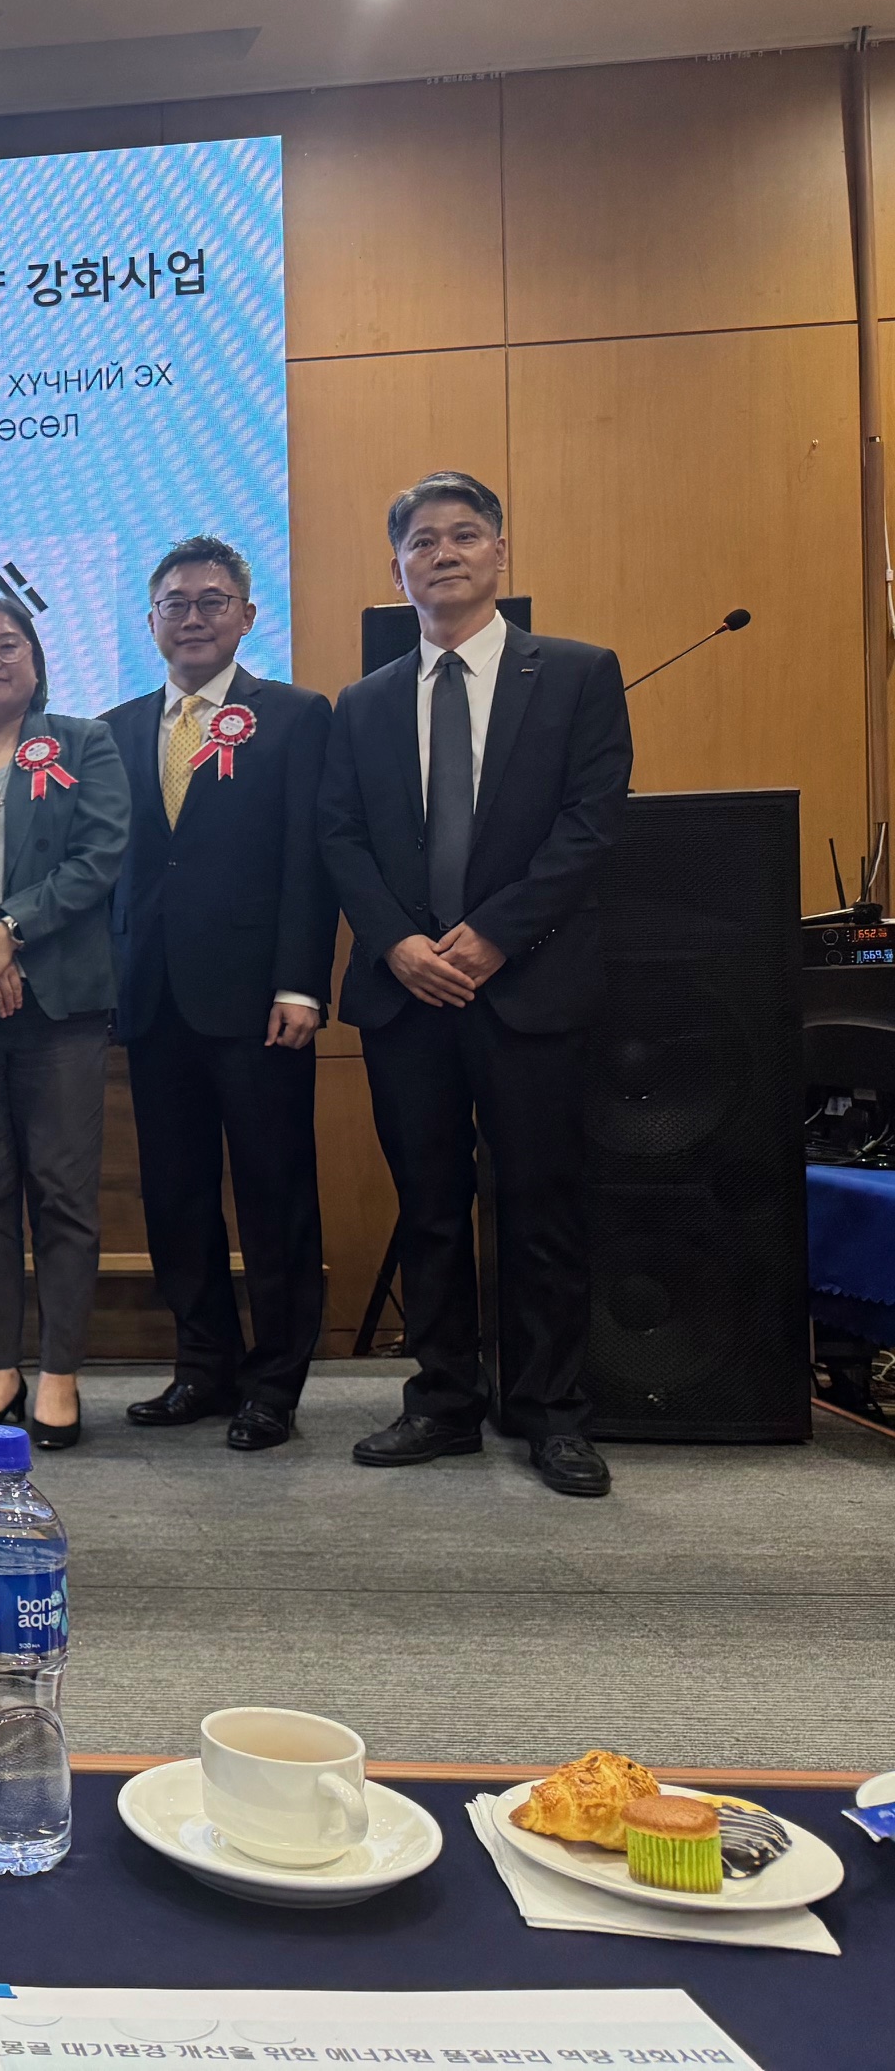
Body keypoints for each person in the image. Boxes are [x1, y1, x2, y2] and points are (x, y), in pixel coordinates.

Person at [321, 471, 632, 1498]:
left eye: (464, 535)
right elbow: (341, 837)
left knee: (541, 1205)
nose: (443, 553)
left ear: (500, 552)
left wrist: (494, 936)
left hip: (529, 988)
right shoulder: (364, 702)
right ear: (397, 568)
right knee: (429, 1207)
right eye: (423, 541)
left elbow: (590, 823)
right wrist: (399, 945)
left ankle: (552, 1412)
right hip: (407, 996)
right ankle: (444, 1400)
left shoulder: (578, 674)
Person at [102, 539, 338, 1452]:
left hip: (258, 1003)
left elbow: (308, 861)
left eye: (212, 600)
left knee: (275, 1195)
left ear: (247, 614)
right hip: (152, 1002)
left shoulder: (295, 717)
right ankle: (202, 1365)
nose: (193, 616)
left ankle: (274, 1384)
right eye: (176, 602)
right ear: (151, 621)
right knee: (176, 1196)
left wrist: (301, 983)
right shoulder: (115, 729)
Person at [0, 597, 130, 1452]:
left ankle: (61, 1372)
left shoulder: (85, 744)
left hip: (61, 1006)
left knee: (64, 1194)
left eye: (9, 645)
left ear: (37, 662)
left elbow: (100, 855)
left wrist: (10, 933)